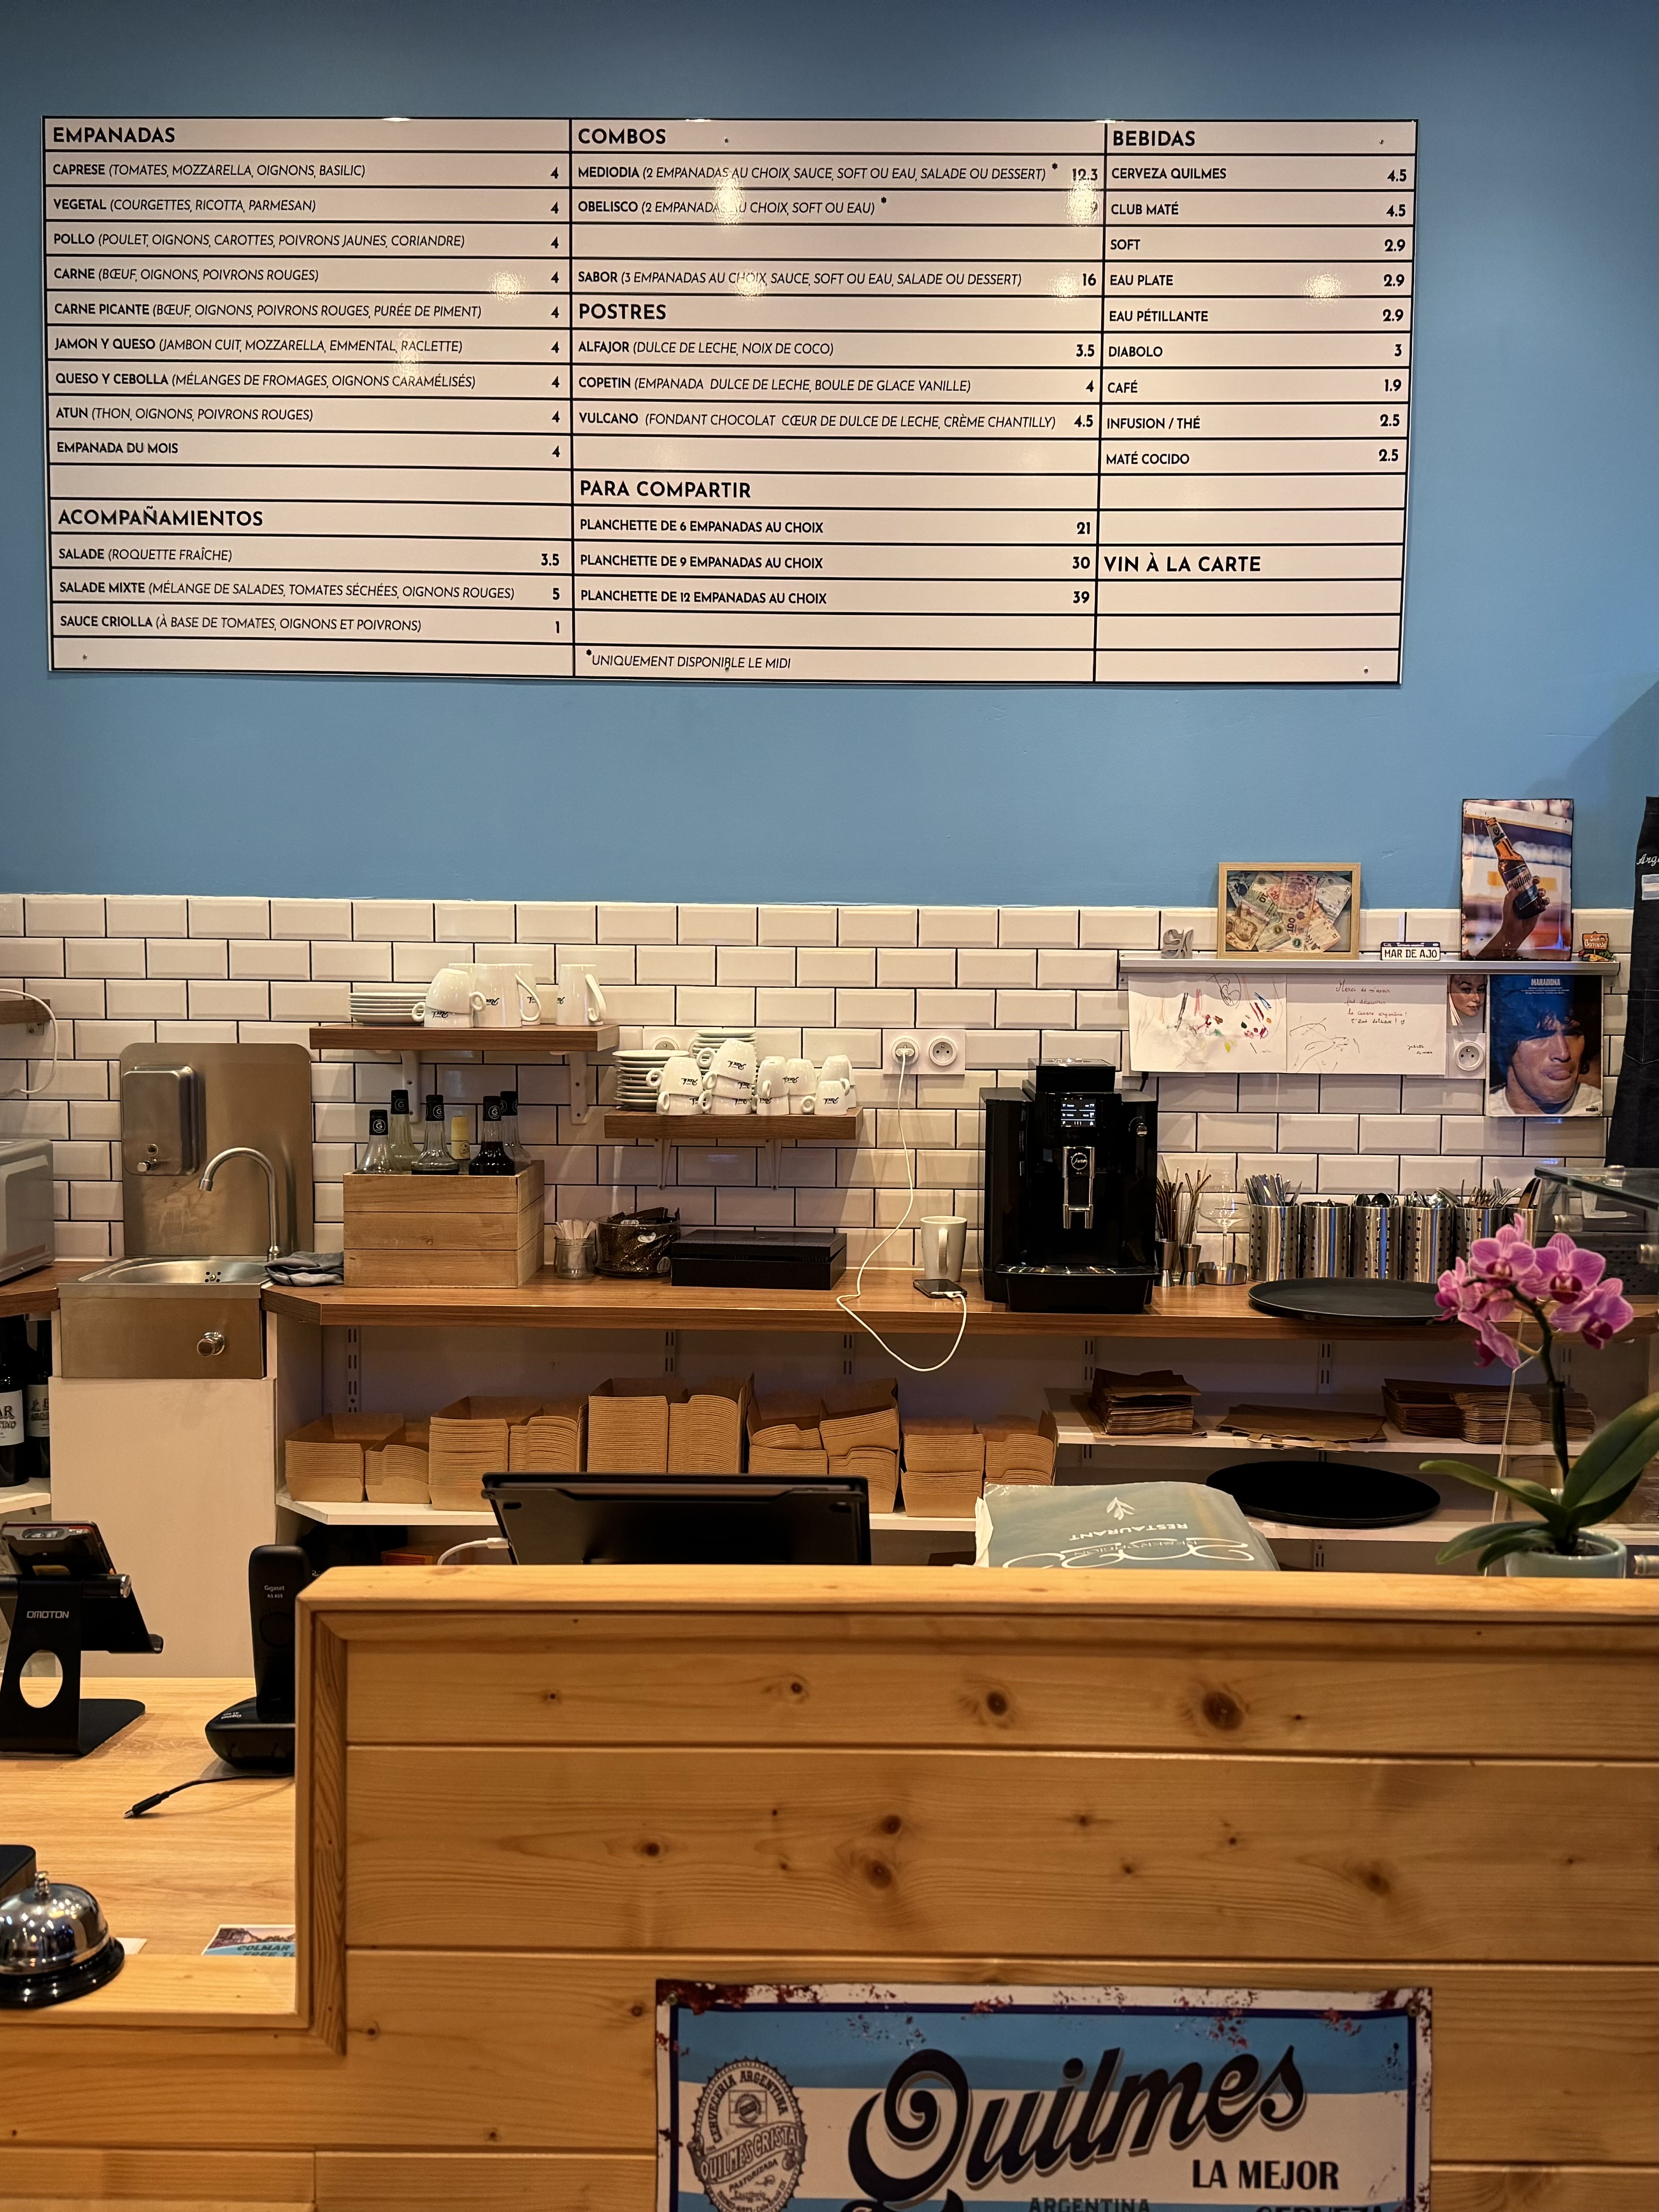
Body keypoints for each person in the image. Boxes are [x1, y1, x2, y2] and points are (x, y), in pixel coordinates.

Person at [1488, 978, 1601, 1117]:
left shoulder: (1603, 1107)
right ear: (1505, 1043)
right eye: (1541, 1035)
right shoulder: (1483, 1108)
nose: (1563, 1053)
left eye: (1571, 1033)